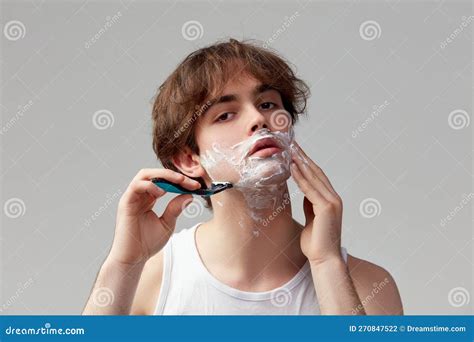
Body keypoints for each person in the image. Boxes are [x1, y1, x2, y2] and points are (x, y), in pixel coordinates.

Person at [83, 38, 403, 315]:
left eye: (267, 104)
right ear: (189, 159)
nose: (258, 119)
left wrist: (326, 263)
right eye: (226, 115)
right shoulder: (151, 281)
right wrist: (124, 264)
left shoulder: (367, 285)